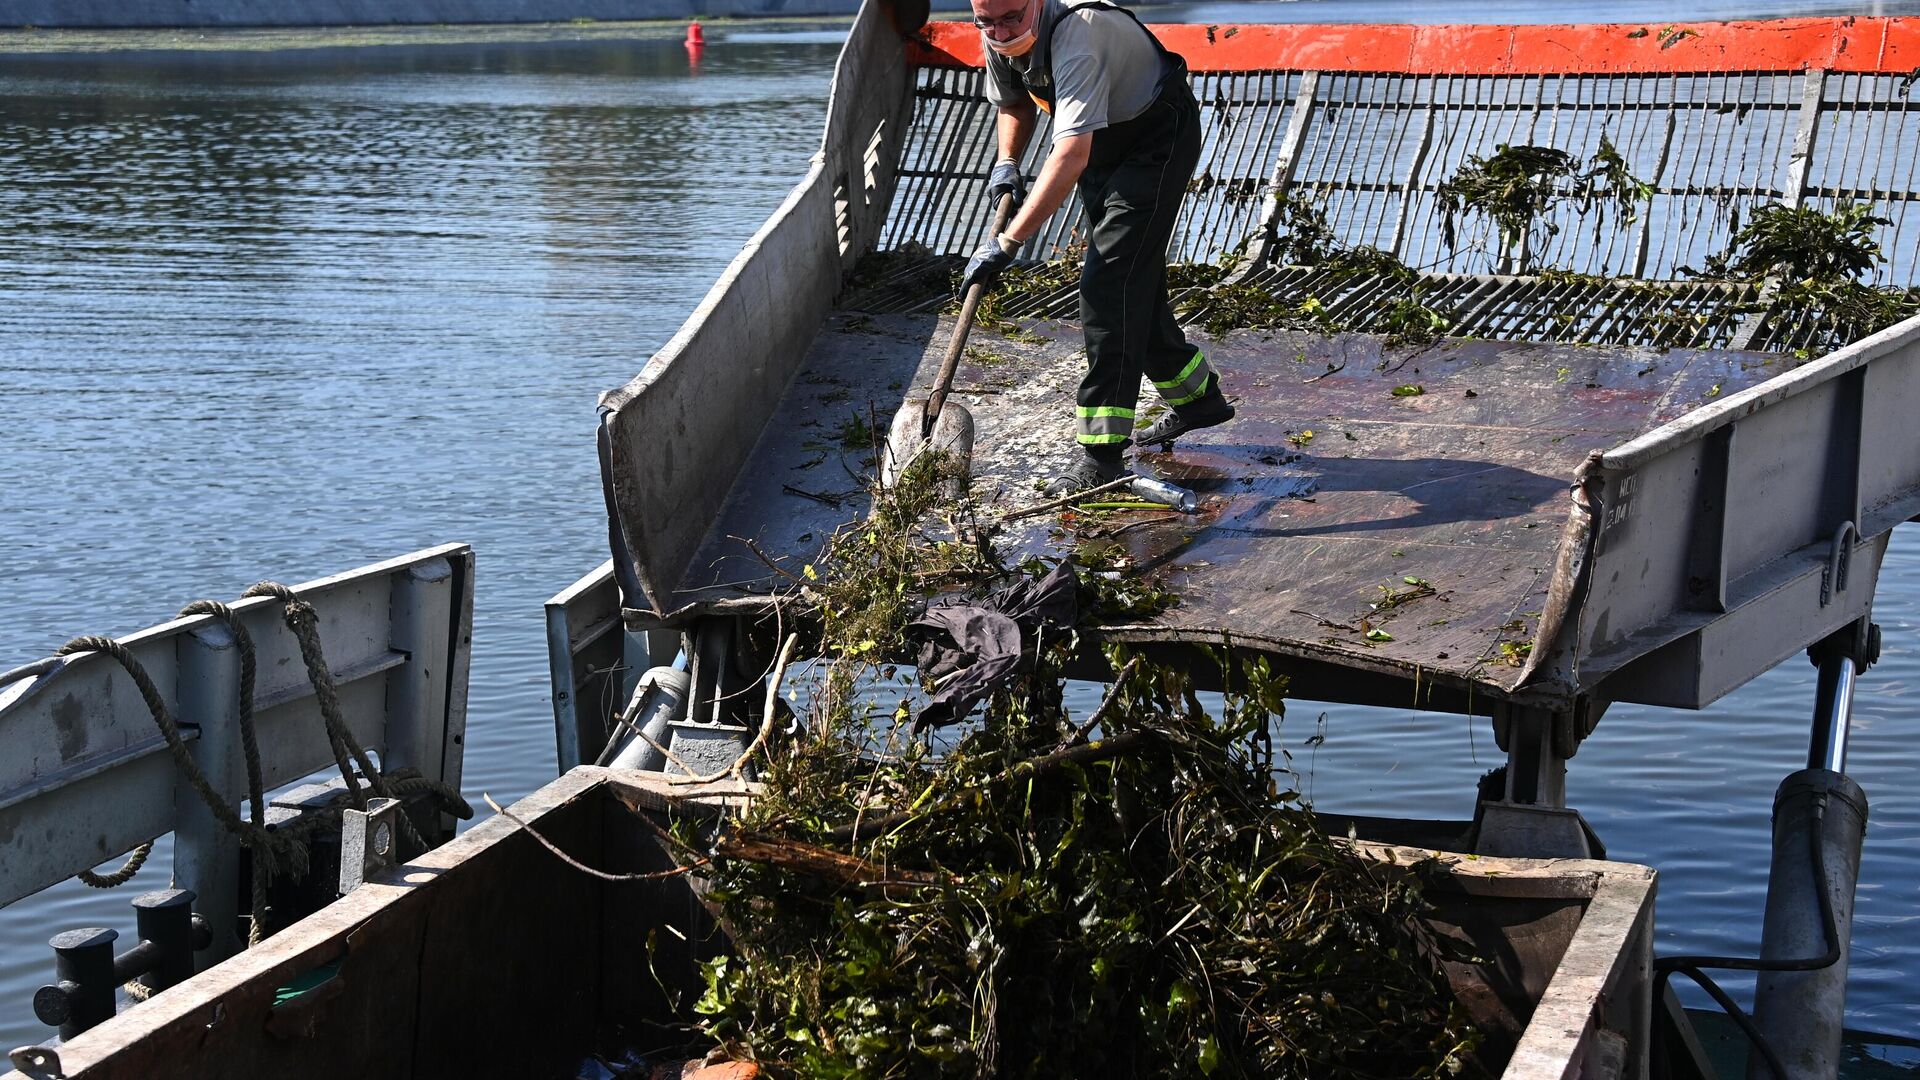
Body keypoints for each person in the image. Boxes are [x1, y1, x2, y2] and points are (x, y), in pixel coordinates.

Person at [961, 0, 1235, 494]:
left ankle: (1103, 455)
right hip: (1103, 144)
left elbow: (1069, 153)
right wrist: (1007, 162)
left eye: (1010, 19)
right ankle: (1198, 400)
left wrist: (1007, 242)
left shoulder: (1077, 36)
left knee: (1108, 285)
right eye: (988, 23)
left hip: (1154, 136)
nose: (999, 32)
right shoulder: (1000, 29)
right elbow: (1014, 103)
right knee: (1132, 283)